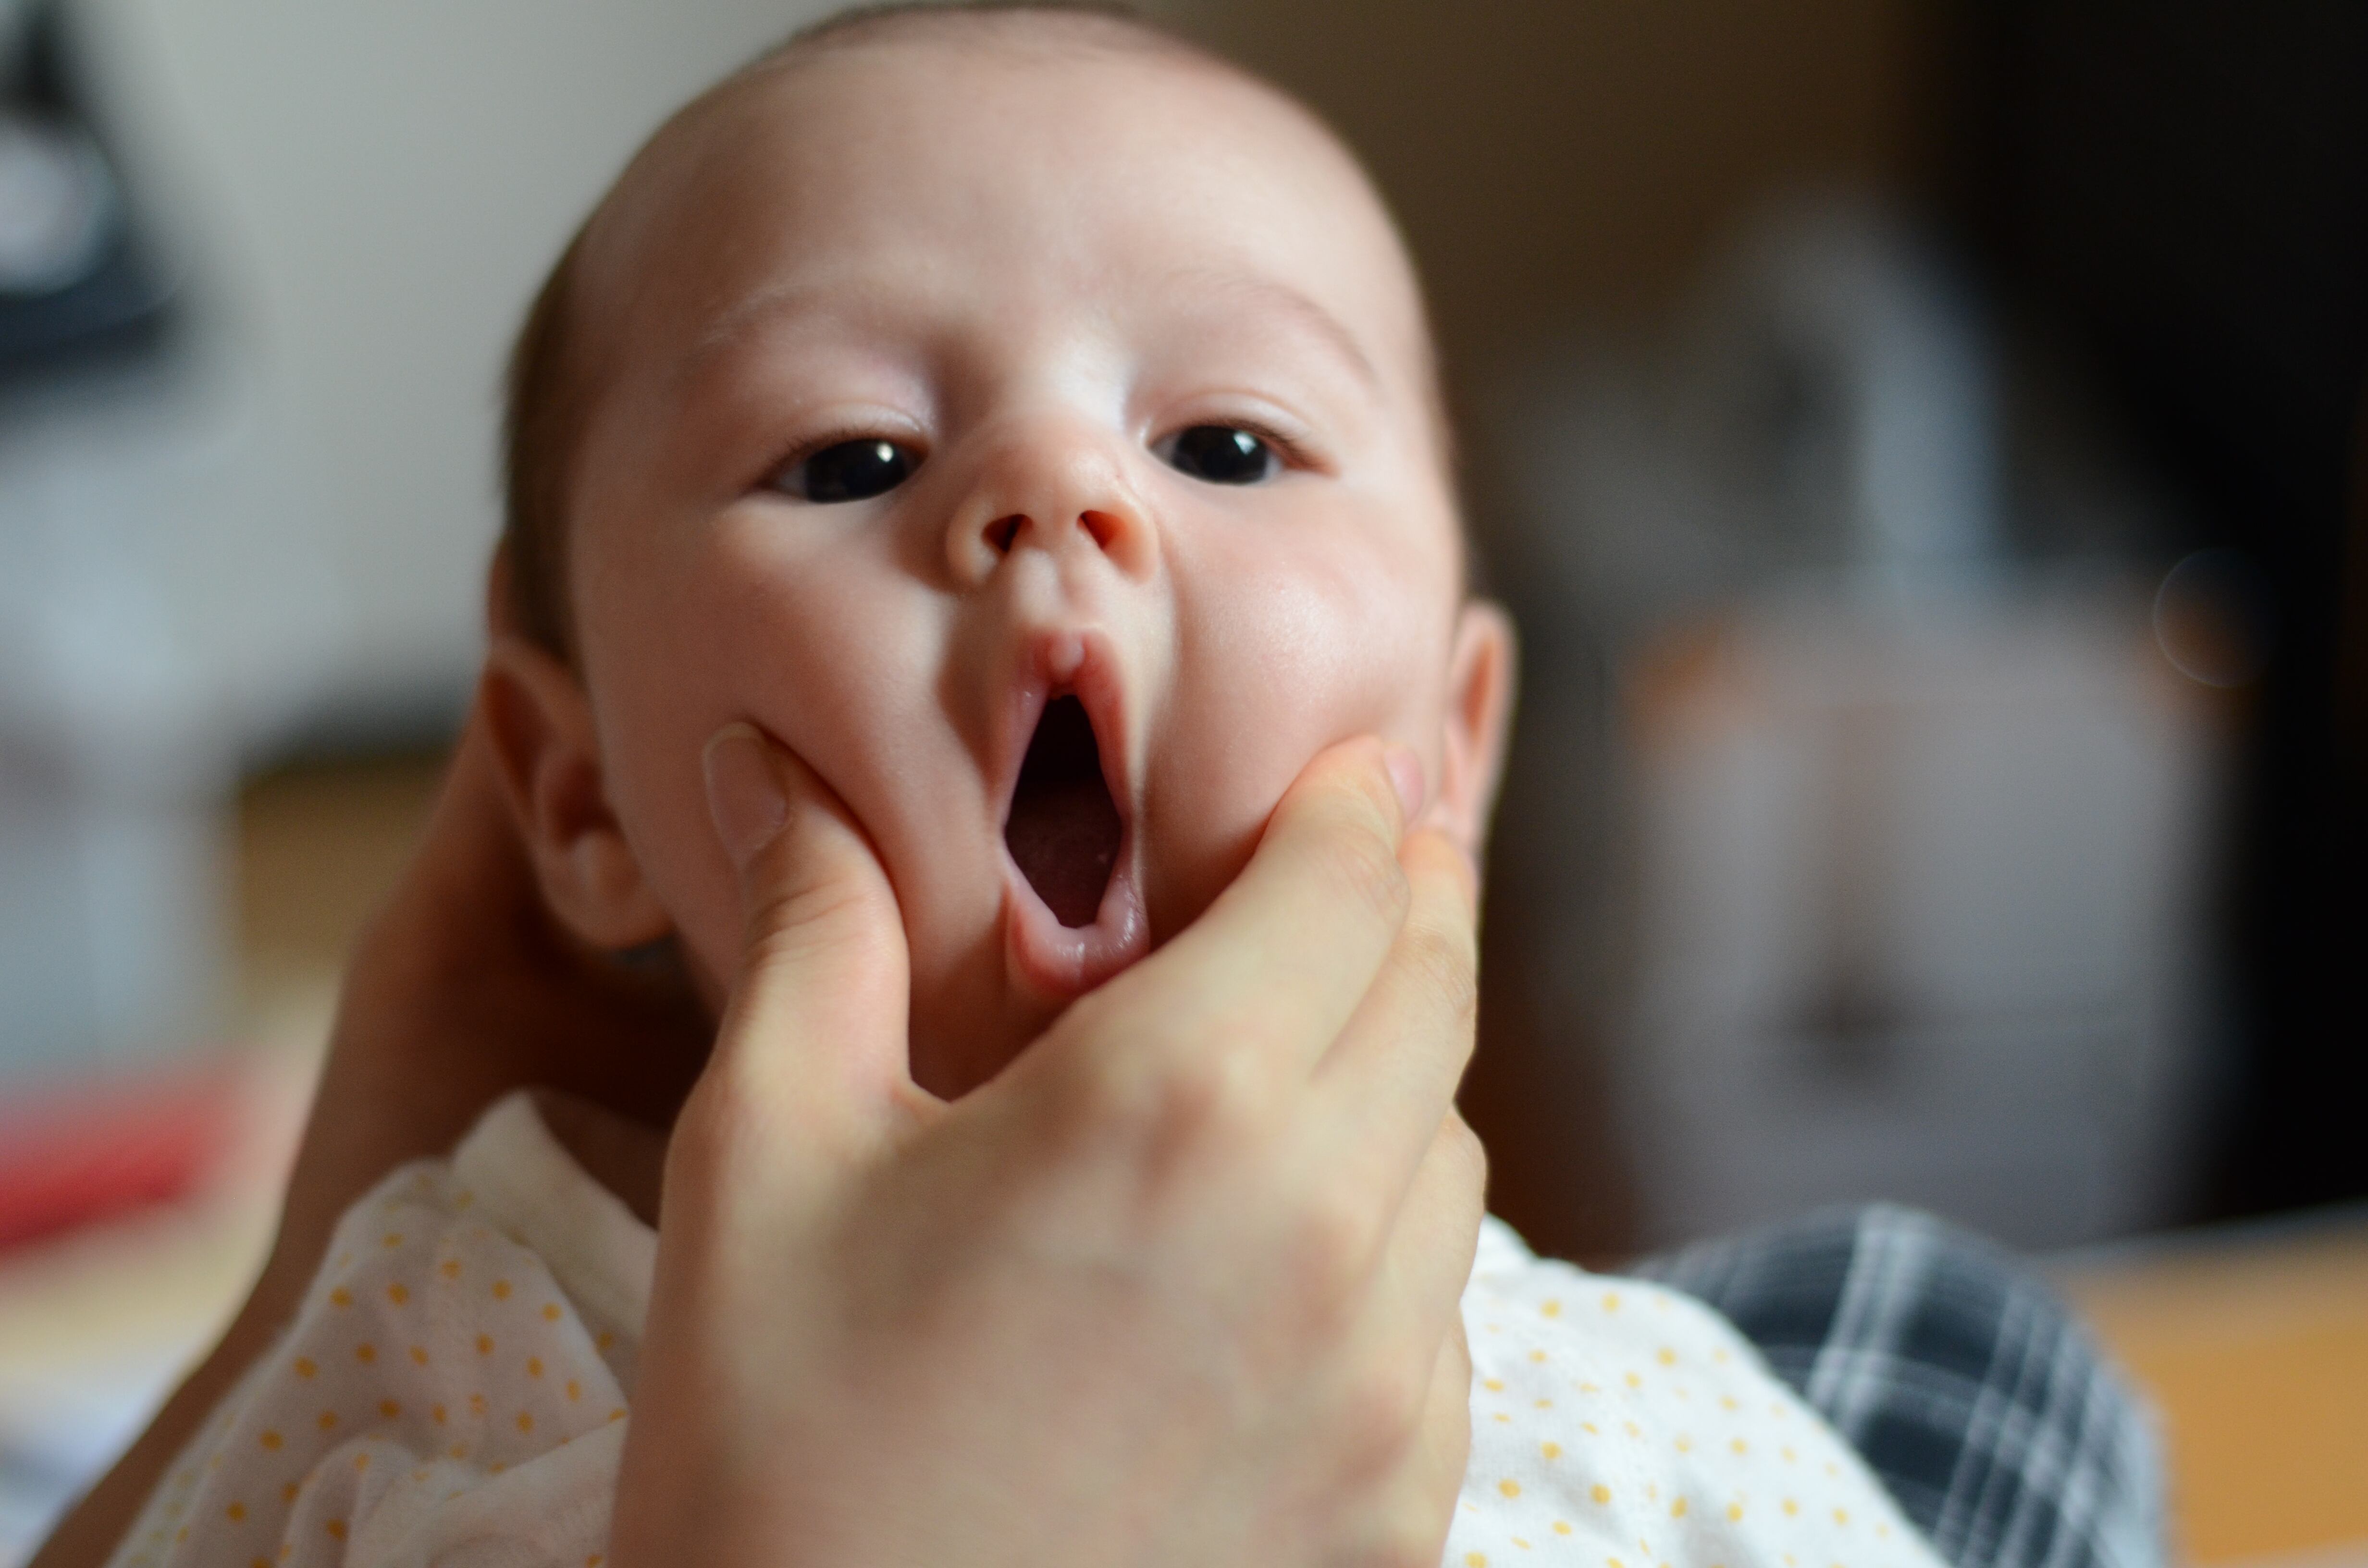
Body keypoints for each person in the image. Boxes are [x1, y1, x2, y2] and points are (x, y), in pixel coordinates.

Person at [35, 8, 2158, 1568]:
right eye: (849, 459)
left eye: (1225, 448)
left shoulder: (1581, 1380)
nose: (1052, 493)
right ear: (570, 796)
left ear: (1449, 751)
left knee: (1967, 1342)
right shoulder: (446, 1312)